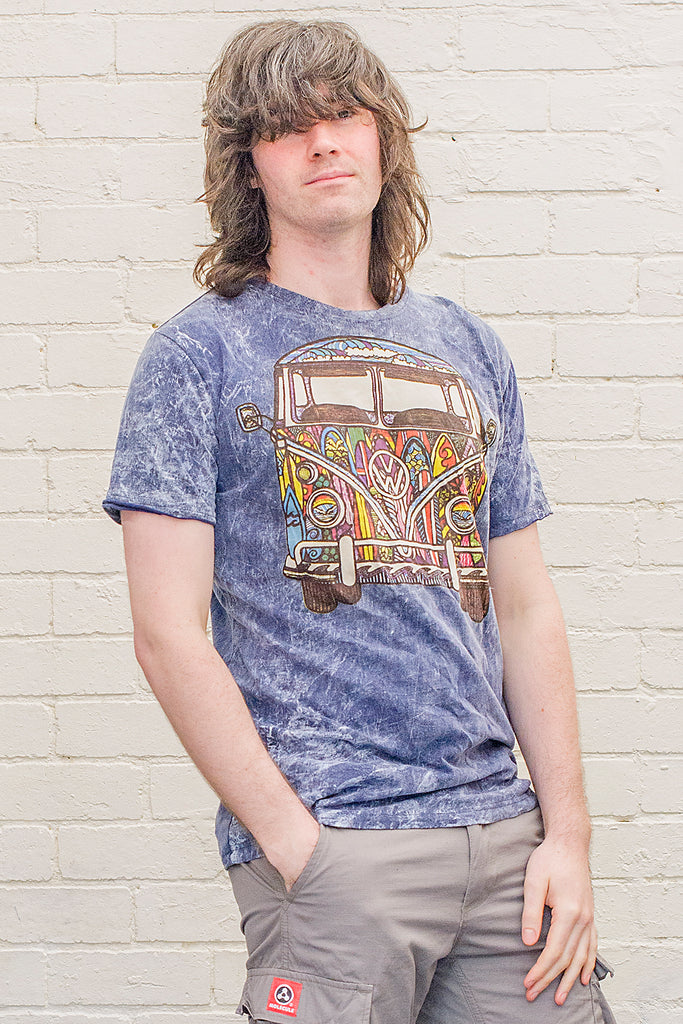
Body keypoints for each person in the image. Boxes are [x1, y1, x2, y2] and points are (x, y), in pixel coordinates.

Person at [103, 19, 615, 1024]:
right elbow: (166, 634)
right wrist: (299, 847)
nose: (323, 142)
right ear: (248, 164)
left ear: (384, 140)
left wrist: (566, 836)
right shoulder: (198, 354)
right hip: (333, 849)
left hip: (503, 842)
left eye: (342, 116)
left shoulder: (465, 345)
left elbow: (524, 608)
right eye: (288, 127)